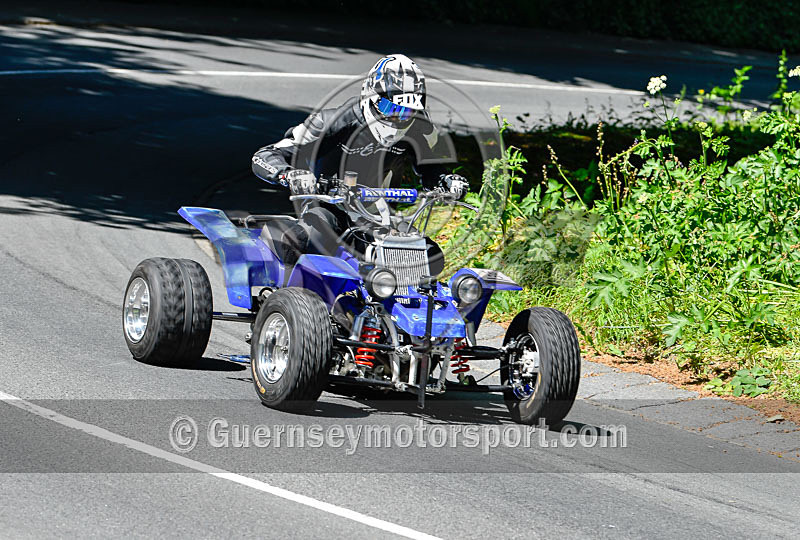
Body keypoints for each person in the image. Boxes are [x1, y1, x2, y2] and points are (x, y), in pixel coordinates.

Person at [251, 53, 468, 271]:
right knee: (308, 239)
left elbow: (430, 168)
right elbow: (265, 155)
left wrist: (446, 180)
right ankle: (287, 296)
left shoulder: (420, 129)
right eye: (391, 109)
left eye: (407, 111)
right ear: (369, 96)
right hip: (328, 206)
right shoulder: (331, 122)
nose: (398, 118)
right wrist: (288, 174)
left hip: (380, 215)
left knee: (430, 258)